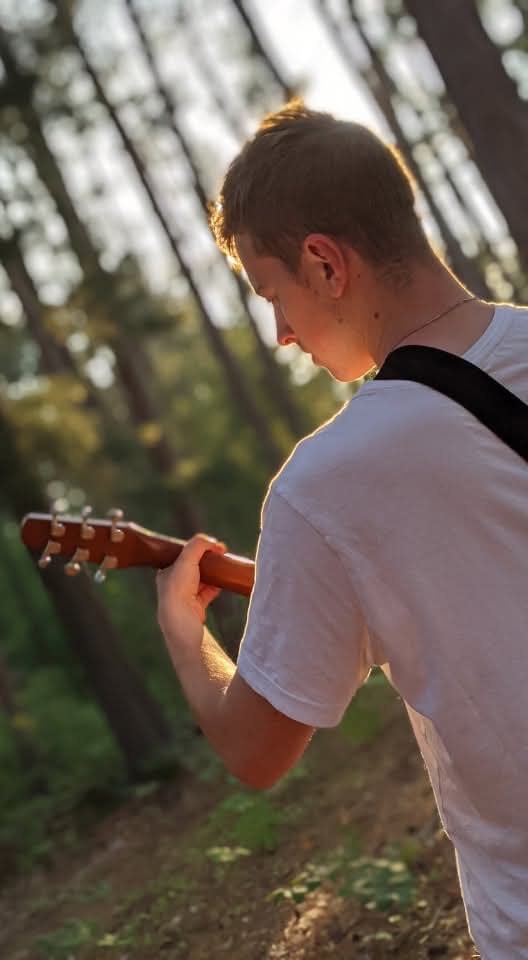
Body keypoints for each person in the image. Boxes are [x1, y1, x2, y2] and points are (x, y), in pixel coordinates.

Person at [156, 101, 528, 959]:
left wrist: (183, 631)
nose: (280, 333)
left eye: (270, 292)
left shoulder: (327, 485)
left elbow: (257, 748)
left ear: (325, 262)